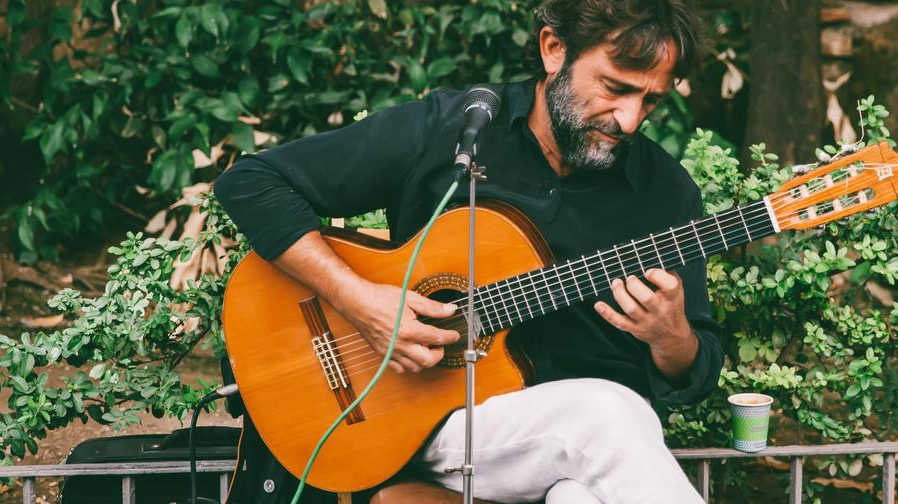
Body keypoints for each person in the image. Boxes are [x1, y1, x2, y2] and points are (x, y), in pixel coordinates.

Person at [214, 0, 721, 502]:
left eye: (650, 101)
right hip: (427, 419)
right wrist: (358, 301)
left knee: (581, 494)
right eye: (615, 88)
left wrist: (671, 335)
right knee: (611, 413)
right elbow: (253, 183)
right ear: (553, 48)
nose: (630, 121)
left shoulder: (667, 193)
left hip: (582, 452)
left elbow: (695, 373)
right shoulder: (453, 130)